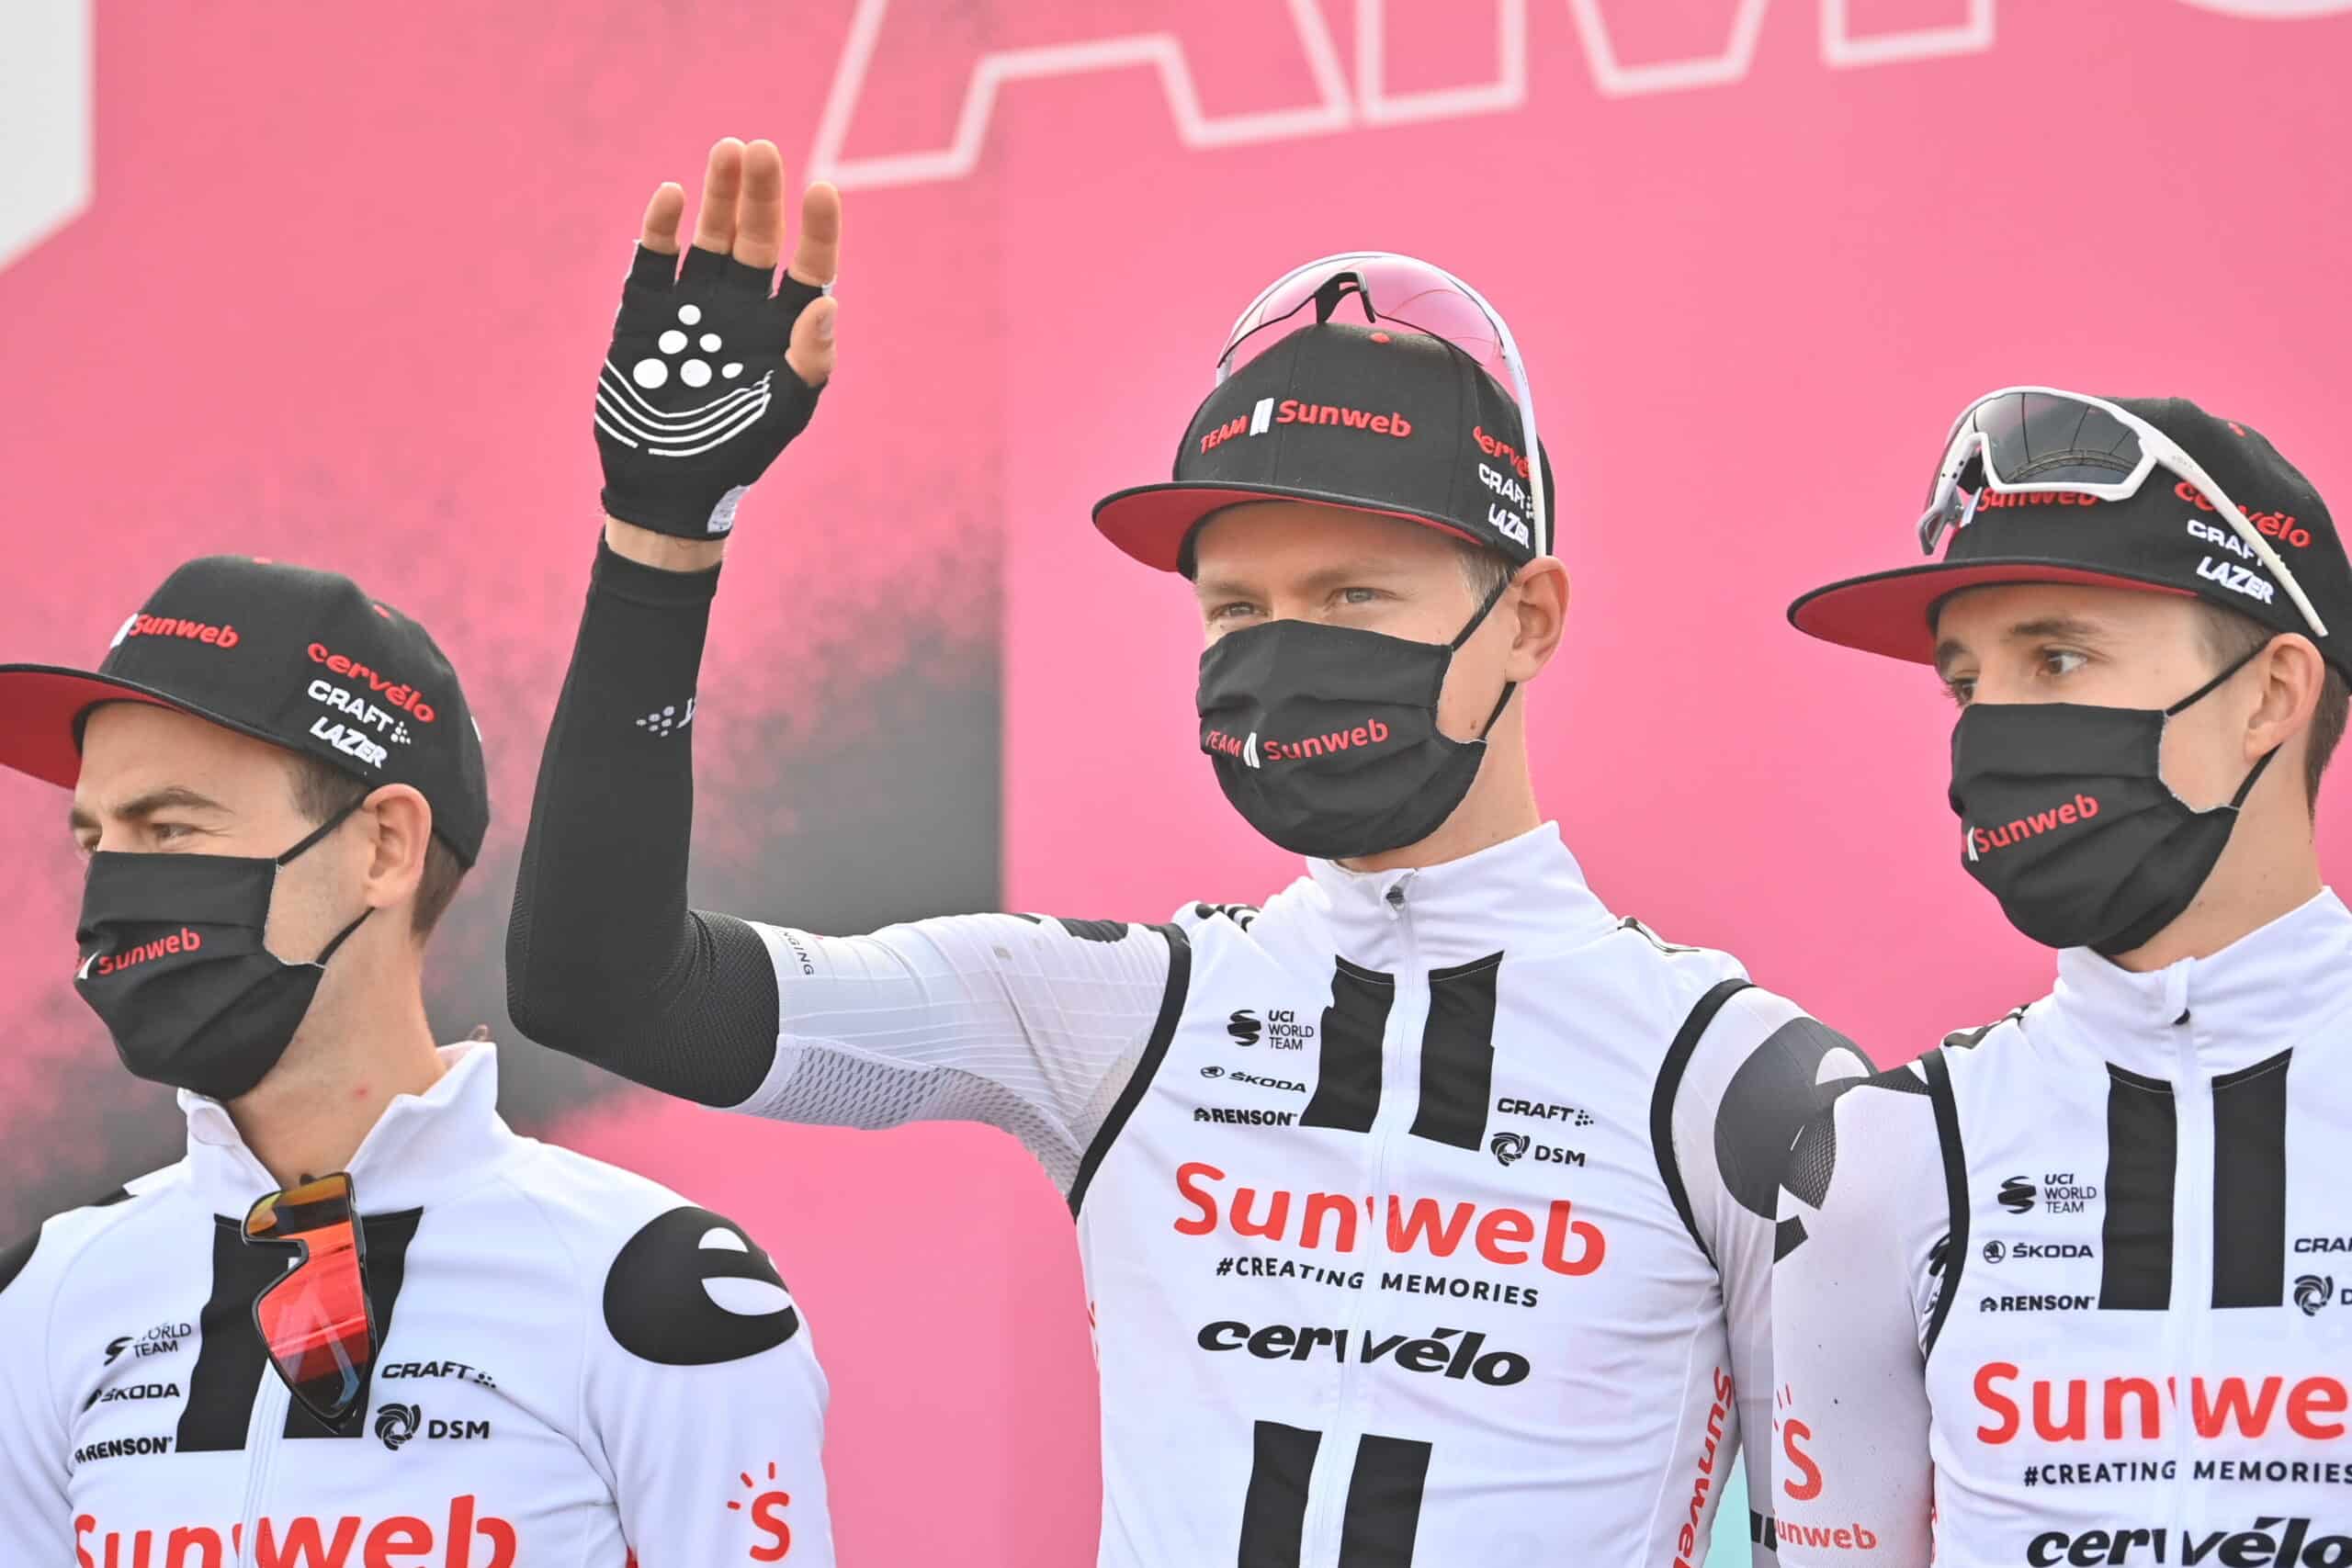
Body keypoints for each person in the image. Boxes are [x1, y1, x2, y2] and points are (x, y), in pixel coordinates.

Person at [509, 133, 1867, 1566]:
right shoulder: (1124, 1012)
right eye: (1236, 609)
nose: (1284, 651)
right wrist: (662, 538)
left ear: (1529, 618)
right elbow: (609, 986)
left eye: (1350, 593)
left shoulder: (1740, 1081)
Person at [0, 556, 833, 1564]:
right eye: (95, 841)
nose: (113, 890)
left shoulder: (658, 1290)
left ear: (385, 847)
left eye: (168, 827)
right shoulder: (46, 1294)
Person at [1772, 388, 2352, 1568]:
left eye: (2058, 657)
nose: (1989, 732)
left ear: (2271, 695)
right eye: (1966, 683)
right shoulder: (1882, 1150)